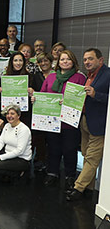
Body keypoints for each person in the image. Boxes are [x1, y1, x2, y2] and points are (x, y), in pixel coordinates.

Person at [67, 48, 110, 202]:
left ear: (101, 60)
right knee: (86, 155)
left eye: (90, 59)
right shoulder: (89, 76)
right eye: (85, 59)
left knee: (92, 158)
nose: (87, 62)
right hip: (85, 120)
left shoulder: (107, 74)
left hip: (99, 123)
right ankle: (89, 188)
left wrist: (95, 94)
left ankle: (77, 188)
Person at [38, 49, 85, 189]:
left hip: (69, 122)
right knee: (53, 148)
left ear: (73, 62)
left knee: (70, 149)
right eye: (62, 59)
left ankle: (70, 176)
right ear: (58, 62)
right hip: (52, 121)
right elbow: (43, 94)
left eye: (68, 59)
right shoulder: (51, 77)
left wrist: (68, 101)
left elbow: (81, 98)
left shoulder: (79, 77)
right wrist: (36, 98)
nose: (65, 62)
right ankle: (52, 173)